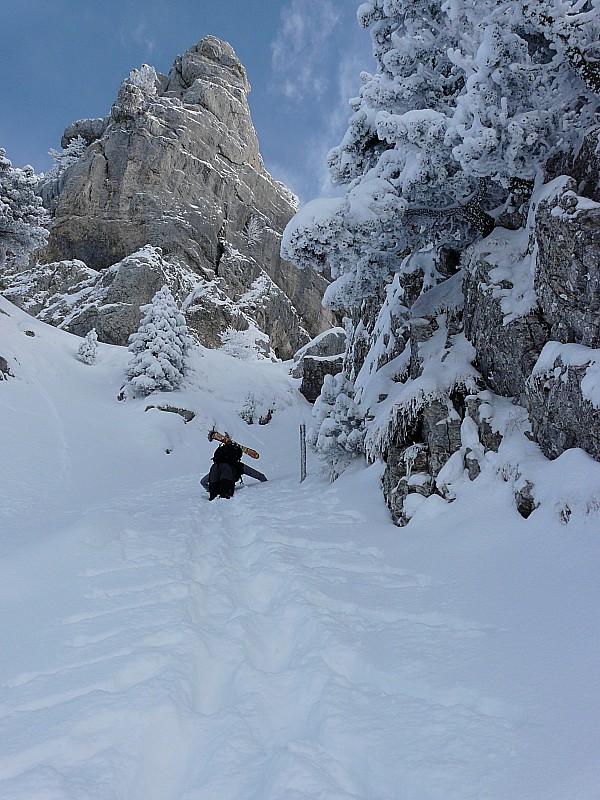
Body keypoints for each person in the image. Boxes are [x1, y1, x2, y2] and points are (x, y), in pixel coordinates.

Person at [202, 440, 267, 500]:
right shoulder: (238, 465)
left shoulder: (216, 467)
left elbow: (203, 482)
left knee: (215, 497)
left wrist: (210, 490)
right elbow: (260, 476)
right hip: (227, 490)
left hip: (214, 490)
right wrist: (268, 485)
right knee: (225, 497)